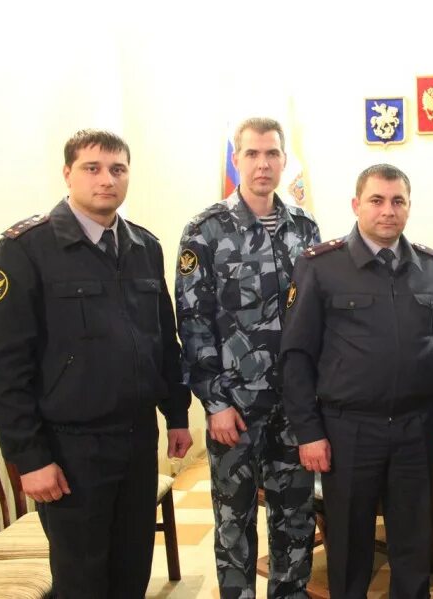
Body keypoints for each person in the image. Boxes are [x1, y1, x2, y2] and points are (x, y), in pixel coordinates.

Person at [0, 129, 193, 598]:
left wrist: (176, 413)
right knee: (82, 581)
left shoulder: (144, 247)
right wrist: (30, 457)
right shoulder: (25, 249)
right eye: (92, 168)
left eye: (118, 169)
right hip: (72, 449)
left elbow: (164, 342)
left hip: (138, 440)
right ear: (67, 173)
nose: (106, 180)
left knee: (132, 571)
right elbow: (3, 368)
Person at [280, 163, 433, 599]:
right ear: (356, 204)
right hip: (348, 429)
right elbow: (296, 355)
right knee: (348, 544)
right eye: (376, 200)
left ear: (409, 207)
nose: (387, 210)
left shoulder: (432, 268)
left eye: (398, 201)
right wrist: (309, 432)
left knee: (413, 542)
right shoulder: (322, 266)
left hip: (415, 427)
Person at [175, 117, 319, 598]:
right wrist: (215, 402)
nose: (263, 164)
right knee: (234, 523)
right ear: (236, 160)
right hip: (235, 408)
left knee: (295, 518)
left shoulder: (305, 227)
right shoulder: (206, 231)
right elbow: (193, 322)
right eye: (252, 154)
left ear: (283, 160)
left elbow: (314, 316)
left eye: (272, 154)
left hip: (295, 404)